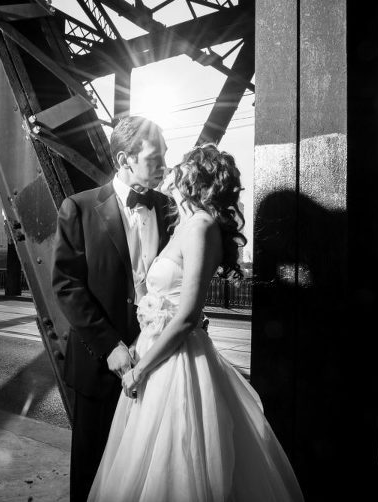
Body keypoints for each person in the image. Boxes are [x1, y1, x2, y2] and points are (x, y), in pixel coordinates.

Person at [88, 144, 304, 502]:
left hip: (176, 363)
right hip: (158, 352)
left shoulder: (201, 226)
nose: (170, 169)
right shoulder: (184, 225)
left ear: (193, 178)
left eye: (179, 166)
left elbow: (187, 316)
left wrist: (139, 372)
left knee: (175, 461)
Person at [52, 116, 172, 501]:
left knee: (148, 470)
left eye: (165, 155)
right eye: (155, 157)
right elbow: (67, 285)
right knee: (93, 470)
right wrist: (110, 347)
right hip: (100, 365)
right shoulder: (78, 208)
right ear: (124, 159)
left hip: (157, 360)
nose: (164, 163)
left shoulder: (168, 209)